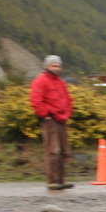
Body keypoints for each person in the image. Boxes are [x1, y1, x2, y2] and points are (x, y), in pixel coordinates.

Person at [29, 55, 73, 190]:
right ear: (46, 66)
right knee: (53, 150)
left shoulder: (61, 83)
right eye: (54, 65)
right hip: (50, 120)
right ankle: (52, 181)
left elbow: (68, 100)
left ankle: (61, 180)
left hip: (62, 119)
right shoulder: (40, 81)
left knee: (64, 151)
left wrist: (68, 112)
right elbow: (36, 100)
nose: (57, 68)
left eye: (58, 66)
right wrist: (45, 114)